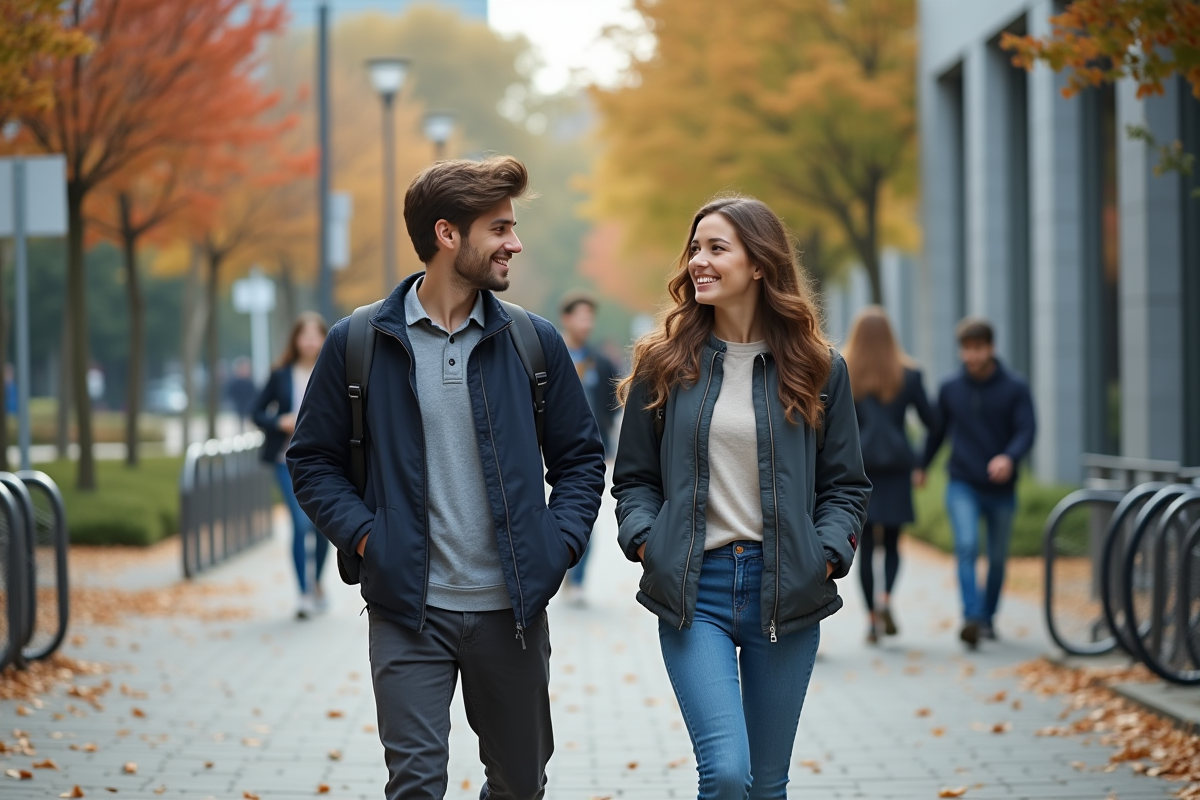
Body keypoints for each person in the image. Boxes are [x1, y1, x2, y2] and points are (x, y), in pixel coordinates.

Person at [287, 156, 606, 800]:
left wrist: (558, 546)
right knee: (415, 785)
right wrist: (369, 539)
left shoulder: (533, 342)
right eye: (500, 228)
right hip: (408, 611)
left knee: (520, 786)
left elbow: (580, 460)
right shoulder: (359, 342)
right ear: (447, 234)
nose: (514, 243)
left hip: (512, 611)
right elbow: (312, 460)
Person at [612, 195, 870, 800]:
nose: (698, 261)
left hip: (785, 586)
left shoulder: (818, 368)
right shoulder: (663, 364)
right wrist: (648, 543)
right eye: (695, 249)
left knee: (767, 786)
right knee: (727, 773)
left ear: (758, 264)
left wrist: (825, 556)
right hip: (693, 588)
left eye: (716, 248)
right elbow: (634, 480)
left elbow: (845, 486)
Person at [923, 317, 1036, 648]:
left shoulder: (1015, 387)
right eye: (966, 349)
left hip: (1002, 488)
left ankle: (987, 618)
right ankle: (972, 617)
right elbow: (937, 432)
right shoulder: (950, 388)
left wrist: (1009, 457)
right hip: (963, 483)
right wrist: (921, 465)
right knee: (967, 545)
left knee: (997, 558)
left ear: (991, 348)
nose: (971, 356)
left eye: (977, 349)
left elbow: (1027, 430)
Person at [841, 306, 939, 644]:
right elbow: (934, 423)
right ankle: (886, 600)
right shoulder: (909, 375)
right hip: (898, 468)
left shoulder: (844, 370)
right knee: (894, 543)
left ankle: (871, 619)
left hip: (859, 470)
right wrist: (921, 462)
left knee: (866, 546)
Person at [252, 313, 330, 619]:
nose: (309, 341)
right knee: (300, 524)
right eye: (304, 335)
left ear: (324, 338)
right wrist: (279, 421)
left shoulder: (333, 369)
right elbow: (257, 412)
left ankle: (317, 581)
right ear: (295, 339)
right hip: (285, 460)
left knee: (323, 527)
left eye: (315, 335)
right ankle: (304, 593)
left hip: (325, 462)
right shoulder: (280, 374)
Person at [558, 291, 620, 606]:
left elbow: (613, 401)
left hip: (590, 453)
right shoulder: (550, 355)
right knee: (552, 513)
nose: (587, 323)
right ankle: (558, 566)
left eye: (590, 317)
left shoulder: (600, 361)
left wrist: (606, 437)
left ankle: (577, 578)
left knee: (585, 513)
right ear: (566, 319)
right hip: (550, 452)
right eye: (581, 316)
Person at [225, 356, 257, 431]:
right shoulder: (233, 383)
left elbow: (254, 395)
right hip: (237, 409)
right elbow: (230, 394)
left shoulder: (250, 383)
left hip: (248, 409)